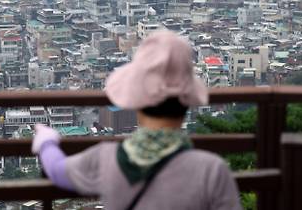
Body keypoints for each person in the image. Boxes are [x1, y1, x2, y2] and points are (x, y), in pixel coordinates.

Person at [32, 30, 242, 210]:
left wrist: (47, 141)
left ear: (137, 99)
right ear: (187, 101)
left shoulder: (105, 160)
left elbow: (57, 170)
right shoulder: (212, 170)